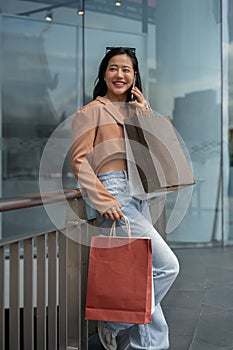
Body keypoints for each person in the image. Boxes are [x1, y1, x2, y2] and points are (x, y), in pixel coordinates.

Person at [71, 47, 179, 350]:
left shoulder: (136, 111)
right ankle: (119, 324)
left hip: (138, 191)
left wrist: (145, 111)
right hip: (113, 191)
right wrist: (102, 200)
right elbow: (79, 161)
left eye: (127, 70)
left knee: (145, 272)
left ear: (135, 76)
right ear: (104, 73)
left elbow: (155, 151)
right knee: (168, 266)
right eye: (114, 68)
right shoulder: (90, 112)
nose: (120, 75)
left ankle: (140, 340)